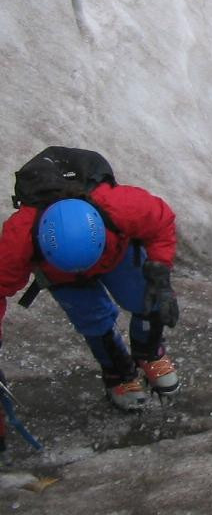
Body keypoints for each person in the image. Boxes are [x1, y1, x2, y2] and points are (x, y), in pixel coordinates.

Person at [0, 149, 180, 411]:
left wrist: (160, 272)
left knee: (145, 296)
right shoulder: (20, 237)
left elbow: (161, 221)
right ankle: (118, 372)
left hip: (114, 254)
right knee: (94, 322)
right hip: (62, 275)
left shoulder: (120, 206)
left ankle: (150, 352)